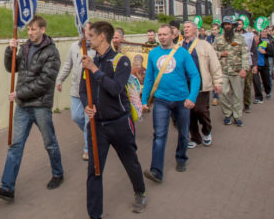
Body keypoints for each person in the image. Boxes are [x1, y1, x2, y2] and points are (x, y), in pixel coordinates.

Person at [0, 15, 63, 202]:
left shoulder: (51, 52)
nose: (30, 33)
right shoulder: (25, 47)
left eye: (34, 29)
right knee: (16, 146)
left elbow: (45, 82)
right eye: (28, 29)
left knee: (49, 143)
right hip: (23, 107)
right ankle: (7, 188)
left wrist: (20, 94)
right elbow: (11, 68)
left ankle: (58, 173)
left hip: (40, 106)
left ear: (42, 30)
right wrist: (10, 51)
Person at [81, 21, 147, 216]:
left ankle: (140, 191)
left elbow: (116, 88)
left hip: (119, 124)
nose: (88, 39)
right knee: (94, 171)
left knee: (130, 161)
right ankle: (95, 214)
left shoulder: (121, 61)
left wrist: (94, 69)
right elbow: (82, 90)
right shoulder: (90, 61)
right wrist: (87, 105)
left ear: (102, 36)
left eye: (91, 36)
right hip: (97, 126)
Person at [140, 24, 200, 183]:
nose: (161, 37)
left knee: (183, 132)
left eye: (164, 34)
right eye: (159, 34)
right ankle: (156, 171)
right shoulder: (153, 54)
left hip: (181, 99)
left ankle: (181, 159)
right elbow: (149, 79)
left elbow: (195, 76)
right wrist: (144, 101)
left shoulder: (183, 53)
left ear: (173, 36)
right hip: (161, 100)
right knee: (159, 135)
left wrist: (192, 97)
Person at [180, 21, 222, 149]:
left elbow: (214, 63)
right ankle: (195, 137)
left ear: (195, 29)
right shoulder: (179, 46)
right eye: (184, 27)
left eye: (188, 27)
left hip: (201, 84)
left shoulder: (204, 45)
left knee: (201, 110)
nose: (185, 29)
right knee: (189, 112)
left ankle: (207, 131)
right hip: (184, 84)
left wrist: (218, 81)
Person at [56, 22, 93, 161]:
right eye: (82, 30)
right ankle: (92, 135)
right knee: (77, 117)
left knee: (89, 121)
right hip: (76, 91)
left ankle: (88, 149)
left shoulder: (96, 48)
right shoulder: (74, 47)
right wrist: (60, 79)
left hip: (90, 92)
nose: (85, 33)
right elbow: (67, 65)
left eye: (87, 30)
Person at [214, 20, 249, 126]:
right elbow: (212, 52)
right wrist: (220, 54)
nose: (228, 26)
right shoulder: (218, 39)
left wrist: (244, 69)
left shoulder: (240, 38)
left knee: (238, 95)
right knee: (223, 93)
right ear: (223, 26)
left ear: (233, 26)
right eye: (226, 24)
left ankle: (237, 116)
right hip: (223, 71)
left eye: (230, 24)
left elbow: (245, 54)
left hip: (237, 71)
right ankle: (227, 114)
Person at [253, 29, 274, 101]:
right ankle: (258, 97)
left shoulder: (265, 43)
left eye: (255, 37)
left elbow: (272, 53)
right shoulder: (250, 45)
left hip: (264, 64)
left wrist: (265, 52)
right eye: (252, 37)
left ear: (258, 36)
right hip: (255, 65)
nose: (253, 38)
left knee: (266, 81)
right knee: (256, 81)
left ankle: (268, 92)